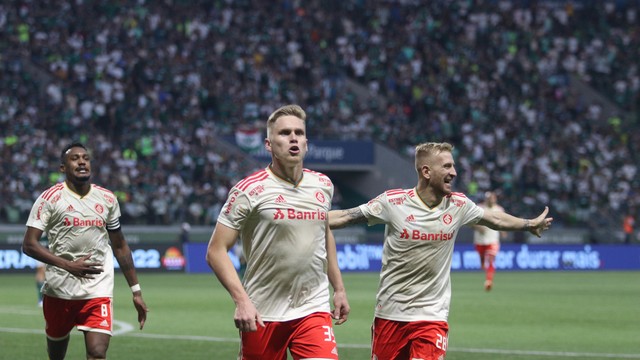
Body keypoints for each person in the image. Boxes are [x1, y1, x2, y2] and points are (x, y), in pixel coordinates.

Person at [329, 142, 553, 360]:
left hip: (432, 316)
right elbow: (345, 216)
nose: (454, 172)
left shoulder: (458, 205)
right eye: (446, 166)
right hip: (390, 314)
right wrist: (303, 218)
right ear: (426, 171)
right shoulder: (393, 202)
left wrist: (528, 223)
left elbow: (493, 217)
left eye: (453, 166)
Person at [206, 104, 350, 360]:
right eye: (284, 133)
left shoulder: (323, 185)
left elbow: (324, 233)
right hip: (263, 312)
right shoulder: (248, 190)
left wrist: (338, 288)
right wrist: (242, 301)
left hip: (312, 308)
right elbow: (216, 251)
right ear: (269, 144)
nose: (293, 138)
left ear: (306, 142)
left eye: (299, 132)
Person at [21, 142, 148, 360]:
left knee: (97, 352)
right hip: (59, 290)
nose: (82, 162)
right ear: (63, 167)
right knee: (56, 354)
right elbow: (29, 244)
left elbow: (119, 245)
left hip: (97, 290)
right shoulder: (49, 198)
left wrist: (135, 291)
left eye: (86, 158)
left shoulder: (107, 199)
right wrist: (68, 265)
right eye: (75, 158)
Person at [472, 191, 506, 291]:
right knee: (482, 259)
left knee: (491, 259)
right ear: (486, 199)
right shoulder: (479, 208)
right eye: (489, 198)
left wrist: (503, 231)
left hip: (493, 239)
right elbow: (470, 221)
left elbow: (503, 221)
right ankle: (482, 263)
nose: (491, 200)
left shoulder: (499, 209)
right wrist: (477, 227)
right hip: (480, 239)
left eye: (493, 198)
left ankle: (488, 281)